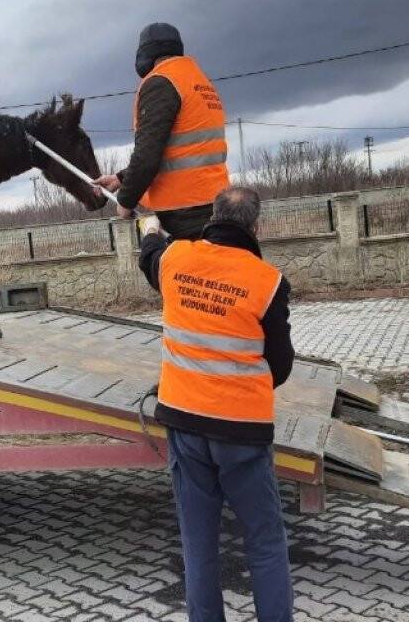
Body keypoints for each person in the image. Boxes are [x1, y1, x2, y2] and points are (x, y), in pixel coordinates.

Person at [138, 186, 294, 622]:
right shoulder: (268, 281)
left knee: (199, 544)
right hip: (243, 434)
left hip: (186, 429)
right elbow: (280, 366)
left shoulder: (176, 260)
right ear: (255, 226)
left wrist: (149, 227)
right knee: (264, 541)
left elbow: (150, 255)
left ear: (213, 216)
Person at [95, 23, 230, 240]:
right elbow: (176, 151)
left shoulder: (161, 82)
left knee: (182, 272)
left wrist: (126, 200)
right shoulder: (197, 80)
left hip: (185, 211)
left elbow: (148, 154)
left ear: (146, 54)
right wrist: (120, 178)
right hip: (216, 203)